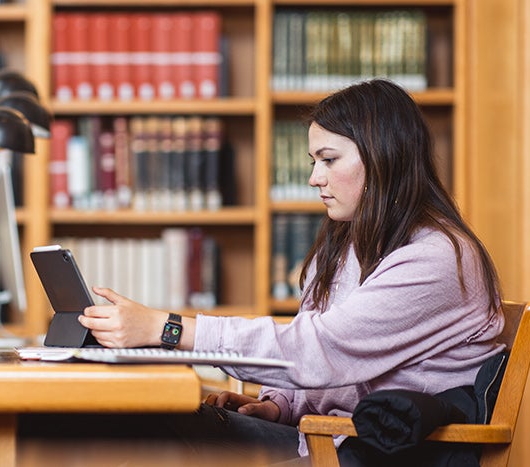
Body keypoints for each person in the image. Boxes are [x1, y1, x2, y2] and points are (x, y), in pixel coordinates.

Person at [76, 79, 505, 463]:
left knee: (122, 431)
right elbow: (331, 361)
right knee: (117, 420)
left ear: (382, 158)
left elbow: (320, 350)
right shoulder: (347, 242)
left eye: (329, 159)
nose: (315, 177)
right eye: (312, 161)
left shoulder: (438, 258)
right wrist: (280, 405)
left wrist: (166, 328)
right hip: (318, 439)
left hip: (367, 454)